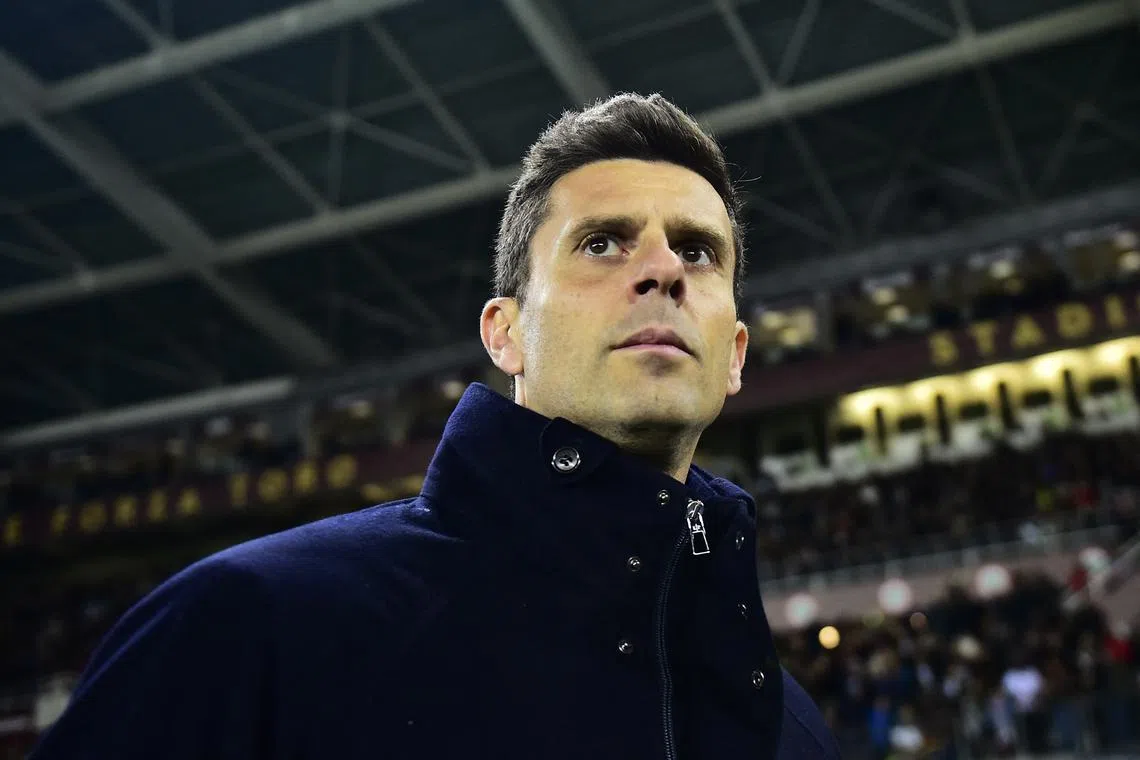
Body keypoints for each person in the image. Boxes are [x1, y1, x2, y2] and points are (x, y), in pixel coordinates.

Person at [30, 93, 839, 759]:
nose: (663, 269)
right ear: (504, 333)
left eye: (698, 253)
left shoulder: (792, 731)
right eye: (602, 243)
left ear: (734, 355)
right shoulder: (251, 627)